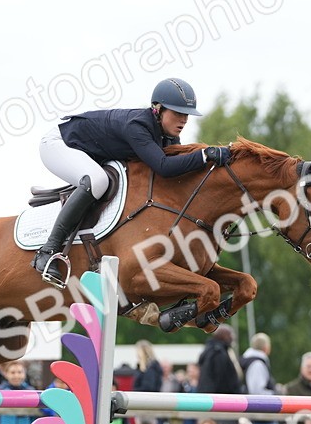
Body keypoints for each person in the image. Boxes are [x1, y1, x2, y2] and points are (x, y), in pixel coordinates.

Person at [32, 77, 231, 286]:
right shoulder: (138, 126)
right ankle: (47, 252)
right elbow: (164, 167)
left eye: (186, 115)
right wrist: (205, 154)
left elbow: (177, 169)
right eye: (177, 113)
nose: (183, 120)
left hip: (88, 151)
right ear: (158, 109)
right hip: (58, 145)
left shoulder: (168, 136)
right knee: (97, 180)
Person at [197, 325, 242, 424]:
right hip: (222, 403)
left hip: (208, 401)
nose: (233, 339)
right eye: (231, 336)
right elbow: (223, 380)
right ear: (225, 336)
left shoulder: (209, 352)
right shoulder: (220, 354)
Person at [240, 332, 278, 424]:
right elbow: (257, 392)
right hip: (260, 417)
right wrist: (276, 394)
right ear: (266, 348)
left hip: (255, 415)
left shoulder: (250, 361)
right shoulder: (257, 364)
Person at [0, 360, 38, 424]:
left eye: (20, 372)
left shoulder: (31, 392)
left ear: (24, 374)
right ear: (6, 374)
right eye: (13, 372)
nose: (16, 376)